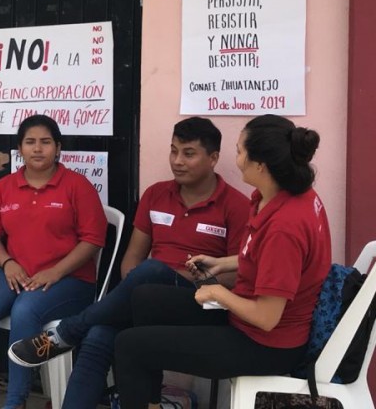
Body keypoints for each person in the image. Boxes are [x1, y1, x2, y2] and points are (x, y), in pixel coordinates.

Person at [8, 116, 250, 408]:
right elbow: (131, 259)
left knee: (151, 271)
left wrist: (166, 279)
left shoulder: (236, 206)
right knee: (99, 335)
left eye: (188, 153)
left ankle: (68, 332)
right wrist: (141, 292)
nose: (177, 161)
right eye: (173, 151)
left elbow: (235, 277)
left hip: (201, 302)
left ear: (213, 158)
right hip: (146, 297)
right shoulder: (156, 195)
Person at [113, 114, 332, 409]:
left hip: (265, 344)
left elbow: (267, 318)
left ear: (260, 166)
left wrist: (219, 293)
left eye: (240, 151)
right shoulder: (287, 195)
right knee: (145, 298)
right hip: (247, 316)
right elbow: (274, 261)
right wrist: (226, 263)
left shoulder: (285, 226)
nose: (236, 158)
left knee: (129, 347)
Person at [0, 114, 108, 409]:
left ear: (58, 148)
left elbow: (93, 239)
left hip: (70, 279)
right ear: (20, 149)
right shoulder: (5, 187)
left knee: (25, 311)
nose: (38, 149)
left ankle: (16, 401)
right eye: (30, 142)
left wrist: (55, 271)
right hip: (17, 272)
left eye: (45, 142)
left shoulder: (77, 186)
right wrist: (7, 262)